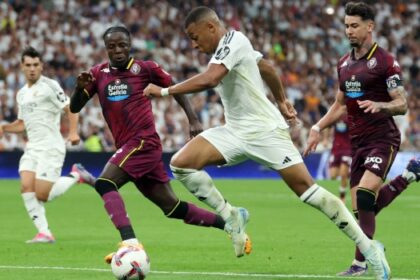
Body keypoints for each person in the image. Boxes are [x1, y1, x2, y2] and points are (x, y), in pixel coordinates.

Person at [144, 6, 391, 279]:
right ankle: (231, 215)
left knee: (309, 193)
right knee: (181, 164)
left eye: (195, 36)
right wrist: (282, 99)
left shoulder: (234, 41)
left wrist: (165, 91)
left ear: (211, 27)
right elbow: (267, 68)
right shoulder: (226, 49)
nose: (193, 44)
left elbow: (211, 78)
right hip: (235, 132)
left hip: (266, 133)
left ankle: (369, 249)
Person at [69, 26, 249, 263]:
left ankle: (130, 243)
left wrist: (192, 119)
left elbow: (175, 88)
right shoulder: (99, 73)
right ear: (106, 49)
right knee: (172, 208)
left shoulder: (145, 68)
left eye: (122, 45)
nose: (118, 50)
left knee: (104, 183)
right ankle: (230, 224)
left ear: (129, 44)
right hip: (129, 147)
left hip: (143, 142)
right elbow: (74, 107)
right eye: (112, 46)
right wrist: (79, 89)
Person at [304, 2, 420, 276]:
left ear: (370, 26)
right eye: (346, 26)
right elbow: (341, 104)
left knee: (366, 196)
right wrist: (318, 126)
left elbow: (402, 104)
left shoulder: (385, 61)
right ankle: (409, 175)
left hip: (383, 138)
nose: (349, 31)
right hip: (358, 143)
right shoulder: (344, 64)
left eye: (354, 25)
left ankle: (362, 263)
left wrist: (381, 106)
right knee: (361, 212)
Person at [0, 46, 95, 243]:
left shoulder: (50, 86)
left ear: (42, 66)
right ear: (22, 67)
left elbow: (72, 108)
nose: (32, 69)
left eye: (36, 65)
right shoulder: (22, 94)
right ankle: (44, 232)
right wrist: (5, 128)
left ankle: (76, 174)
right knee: (26, 187)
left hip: (51, 146)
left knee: (42, 195)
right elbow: (22, 124)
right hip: (33, 147)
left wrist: (73, 131)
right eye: (28, 65)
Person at [328, 114, 352, 203]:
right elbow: (328, 125)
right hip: (336, 149)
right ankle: (350, 173)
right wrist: (326, 138)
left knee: (343, 174)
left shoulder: (350, 116)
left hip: (347, 149)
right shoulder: (335, 115)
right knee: (333, 176)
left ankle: (342, 196)